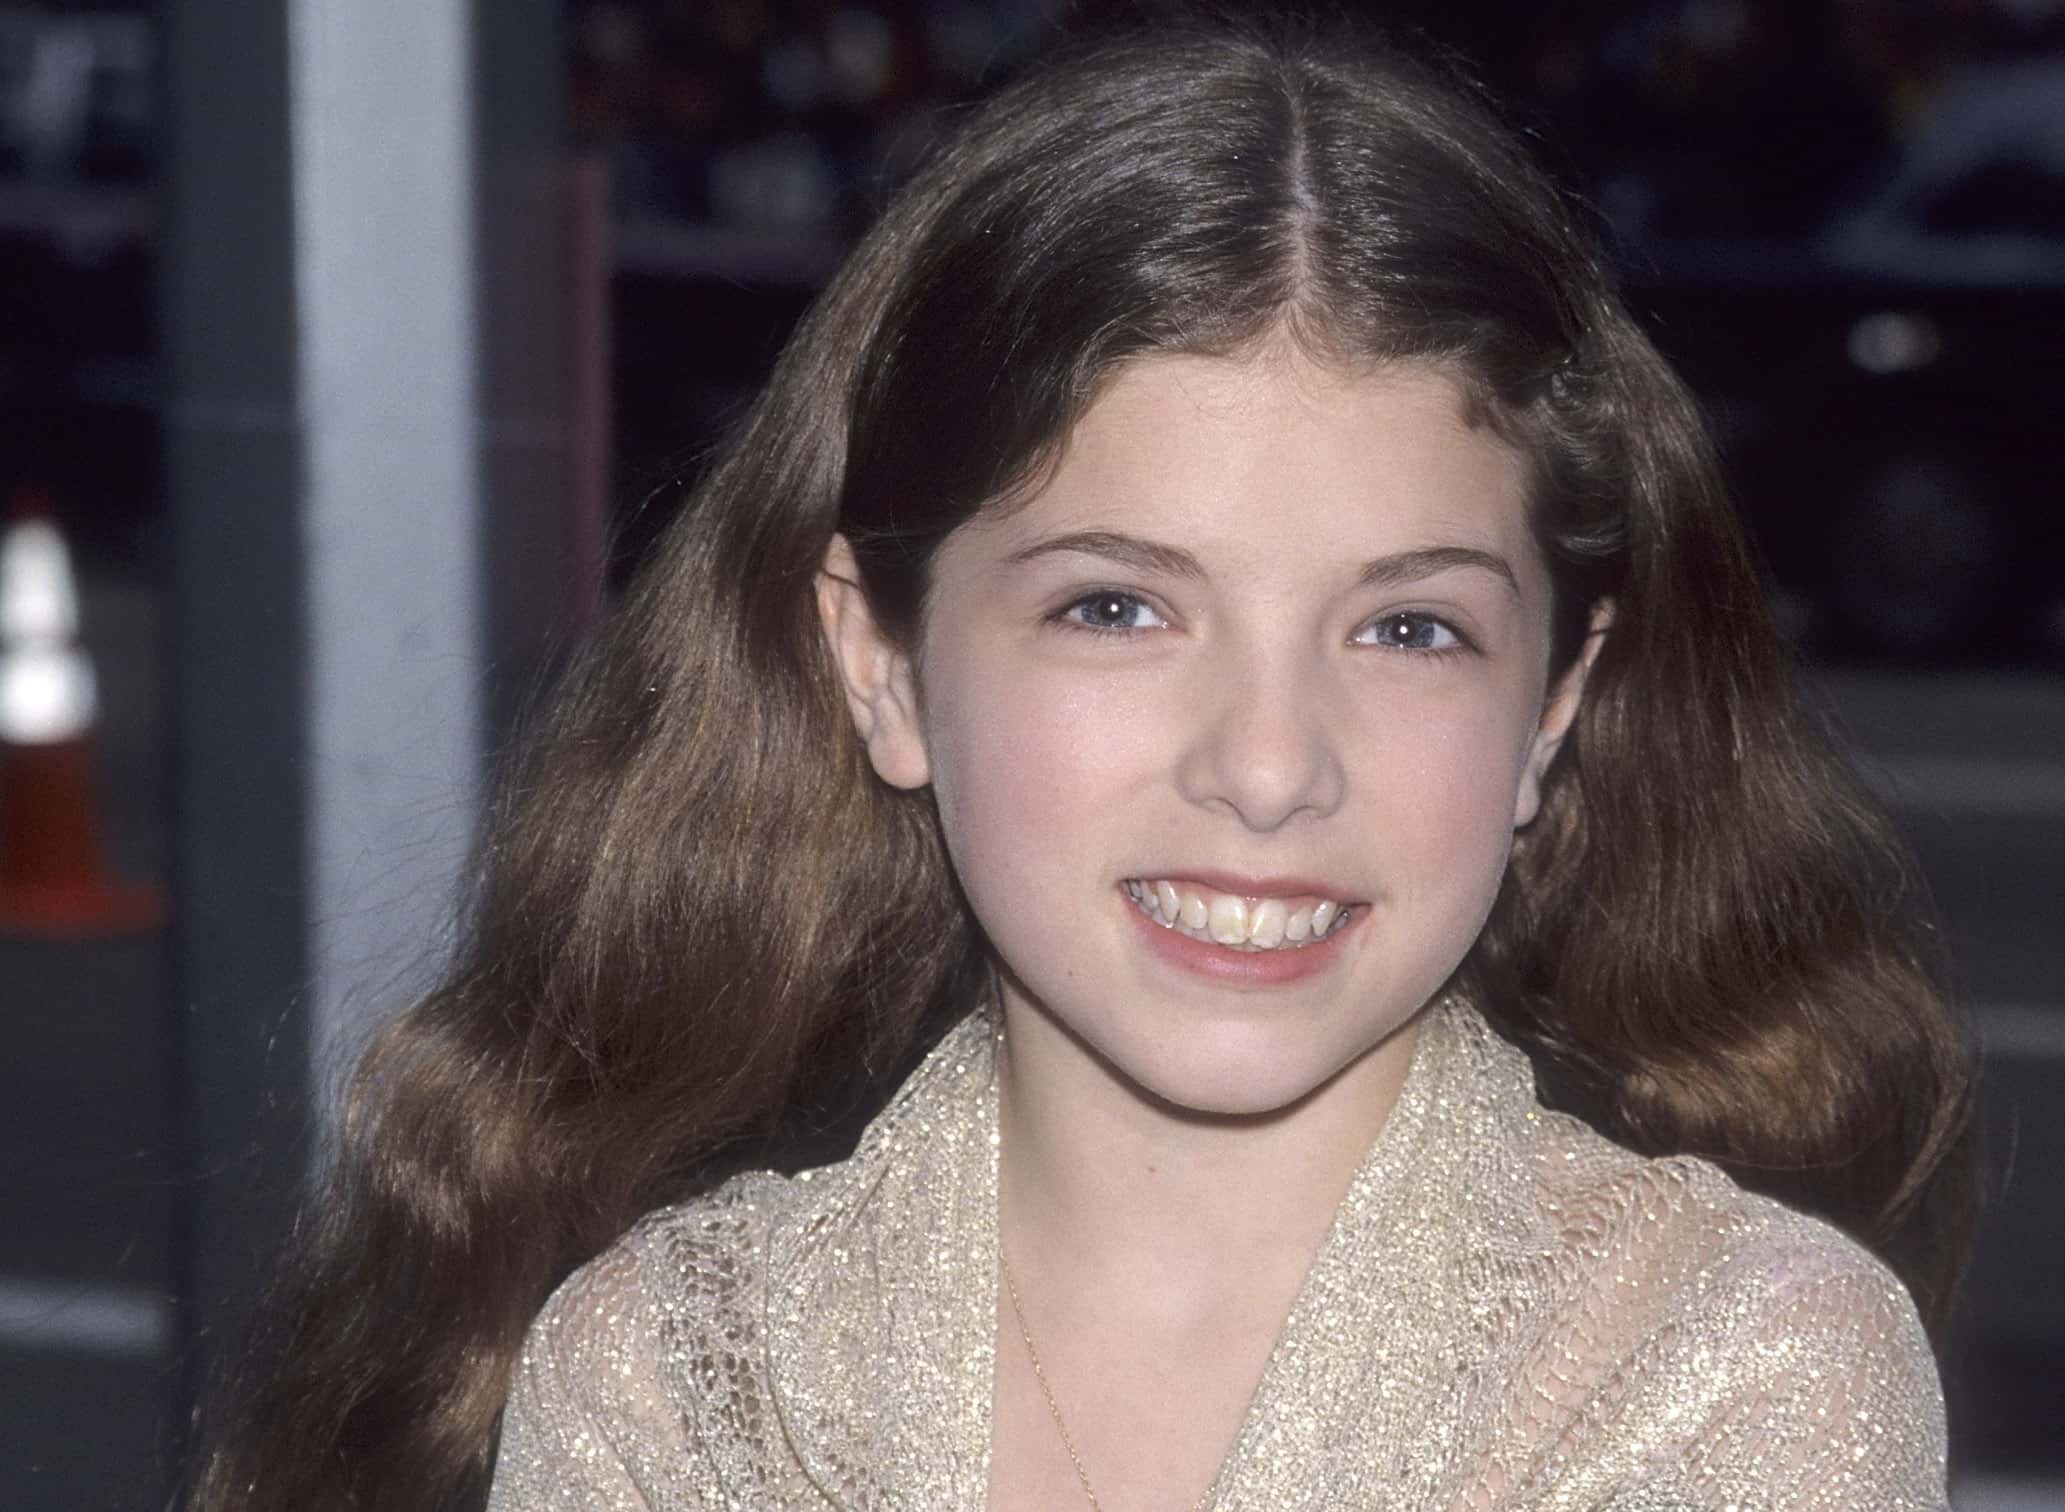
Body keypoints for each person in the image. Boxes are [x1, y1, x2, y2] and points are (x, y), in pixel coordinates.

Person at [188, 17, 1975, 1512]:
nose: (1268, 767)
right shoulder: (671, 1374)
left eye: (1408, 628)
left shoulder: (1736, 1374)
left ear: (1554, 711)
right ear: (878, 663)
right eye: (1117, 608)